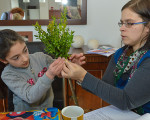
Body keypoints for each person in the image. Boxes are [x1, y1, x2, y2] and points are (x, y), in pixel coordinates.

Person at [61, 0, 150, 115]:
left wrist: (83, 76)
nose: (122, 28)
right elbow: (105, 88)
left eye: (129, 23)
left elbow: (126, 100)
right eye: (121, 23)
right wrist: (78, 75)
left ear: (148, 26)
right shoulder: (120, 54)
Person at [0, 29, 85, 112]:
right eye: (16, 58)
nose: (25, 59)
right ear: (4, 60)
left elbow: (60, 71)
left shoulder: (41, 58)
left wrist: (71, 65)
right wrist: (49, 75)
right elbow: (30, 96)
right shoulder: (8, 75)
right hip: (25, 115)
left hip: (47, 112)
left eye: (25, 50)